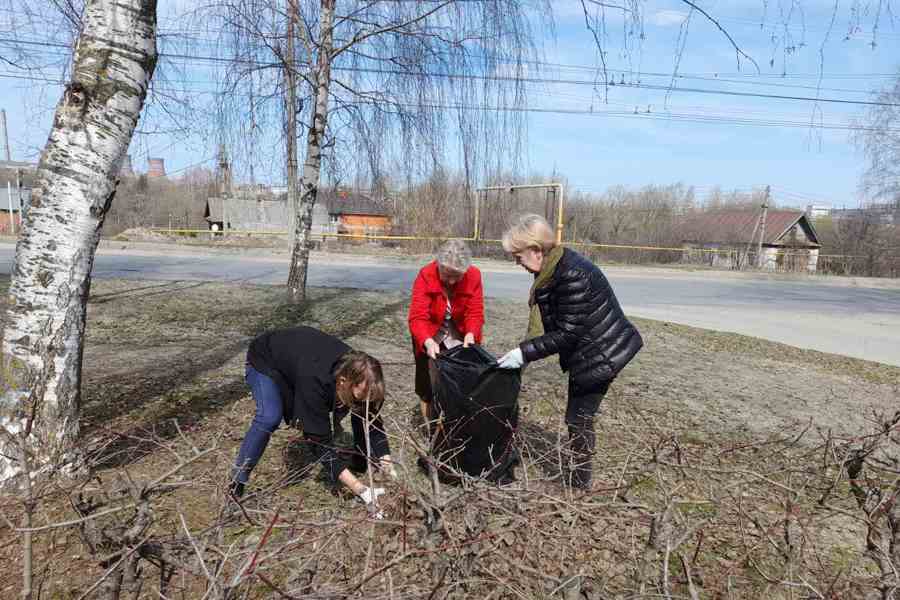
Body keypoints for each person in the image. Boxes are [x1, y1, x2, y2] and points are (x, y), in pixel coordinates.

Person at [496, 214, 643, 489]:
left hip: (602, 351)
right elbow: (550, 326)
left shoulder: (571, 274)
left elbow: (567, 333)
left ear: (536, 250)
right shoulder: (554, 269)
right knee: (579, 417)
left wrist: (523, 353)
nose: (518, 263)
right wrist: (523, 352)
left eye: (519, 256)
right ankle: (579, 479)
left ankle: (579, 484)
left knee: (579, 417)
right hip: (592, 348)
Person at [230, 326, 395, 515]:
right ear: (343, 381)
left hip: (300, 355)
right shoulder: (315, 381)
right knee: (269, 417)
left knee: (358, 406)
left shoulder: (366, 376)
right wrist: (361, 489)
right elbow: (319, 443)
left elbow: (371, 420)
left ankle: (358, 459)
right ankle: (237, 482)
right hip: (266, 358)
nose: (366, 400)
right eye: (362, 395)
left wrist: (389, 469)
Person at [408, 239, 484, 430]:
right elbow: (417, 317)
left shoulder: (474, 276)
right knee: (427, 383)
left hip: (459, 333)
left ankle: (457, 427)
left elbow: (475, 312)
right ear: (439, 264)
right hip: (430, 334)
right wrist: (427, 341)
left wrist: (471, 334)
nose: (451, 281)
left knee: (461, 382)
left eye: (457, 276)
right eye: (447, 274)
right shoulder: (426, 275)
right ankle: (431, 430)